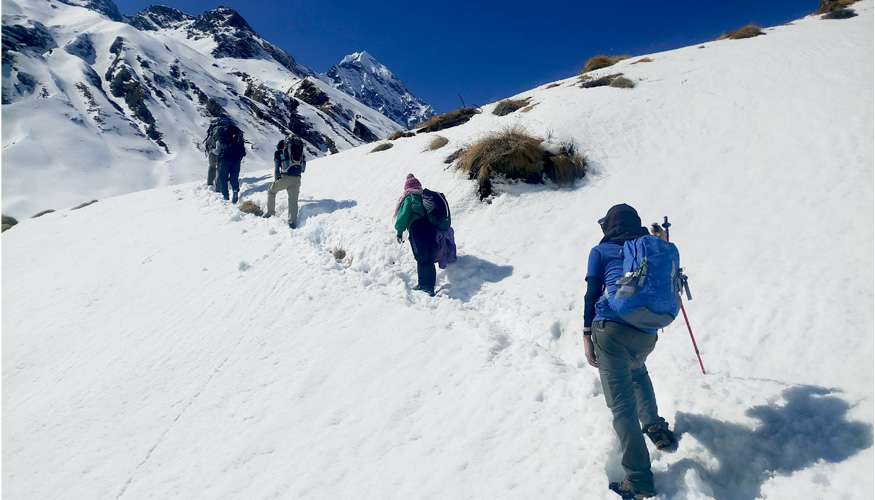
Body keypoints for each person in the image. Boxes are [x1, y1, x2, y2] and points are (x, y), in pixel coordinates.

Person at [582, 203, 677, 500]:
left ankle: (638, 481)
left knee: (621, 406)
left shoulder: (601, 251)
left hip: (610, 330)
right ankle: (656, 427)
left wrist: (586, 334)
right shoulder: (651, 247)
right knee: (638, 372)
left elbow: (591, 293)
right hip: (647, 331)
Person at [394, 174, 437, 296]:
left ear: (407, 188)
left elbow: (403, 217)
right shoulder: (425, 197)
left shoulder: (409, 198)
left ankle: (426, 286)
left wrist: (399, 231)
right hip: (430, 228)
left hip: (417, 229)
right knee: (429, 258)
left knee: (421, 257)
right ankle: (427, 285)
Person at [265, 135, 306, 228]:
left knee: (271, 191)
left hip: (285, 177)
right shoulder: (300, 152)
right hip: (297, 179)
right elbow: (303, 169)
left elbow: (276, 169)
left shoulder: (278, 153)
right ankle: (292, 223)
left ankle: (270, 213)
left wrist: (277, 180)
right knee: (293, 201)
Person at [212, 120, 246, 203]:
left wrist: (212, 151)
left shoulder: (221, 138)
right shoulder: (237, 138)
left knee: (223, 179)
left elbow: (217, 151)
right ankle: (235, 191)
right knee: (234, 177)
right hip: (236, 160)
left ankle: (225, 197)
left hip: (224, 160)